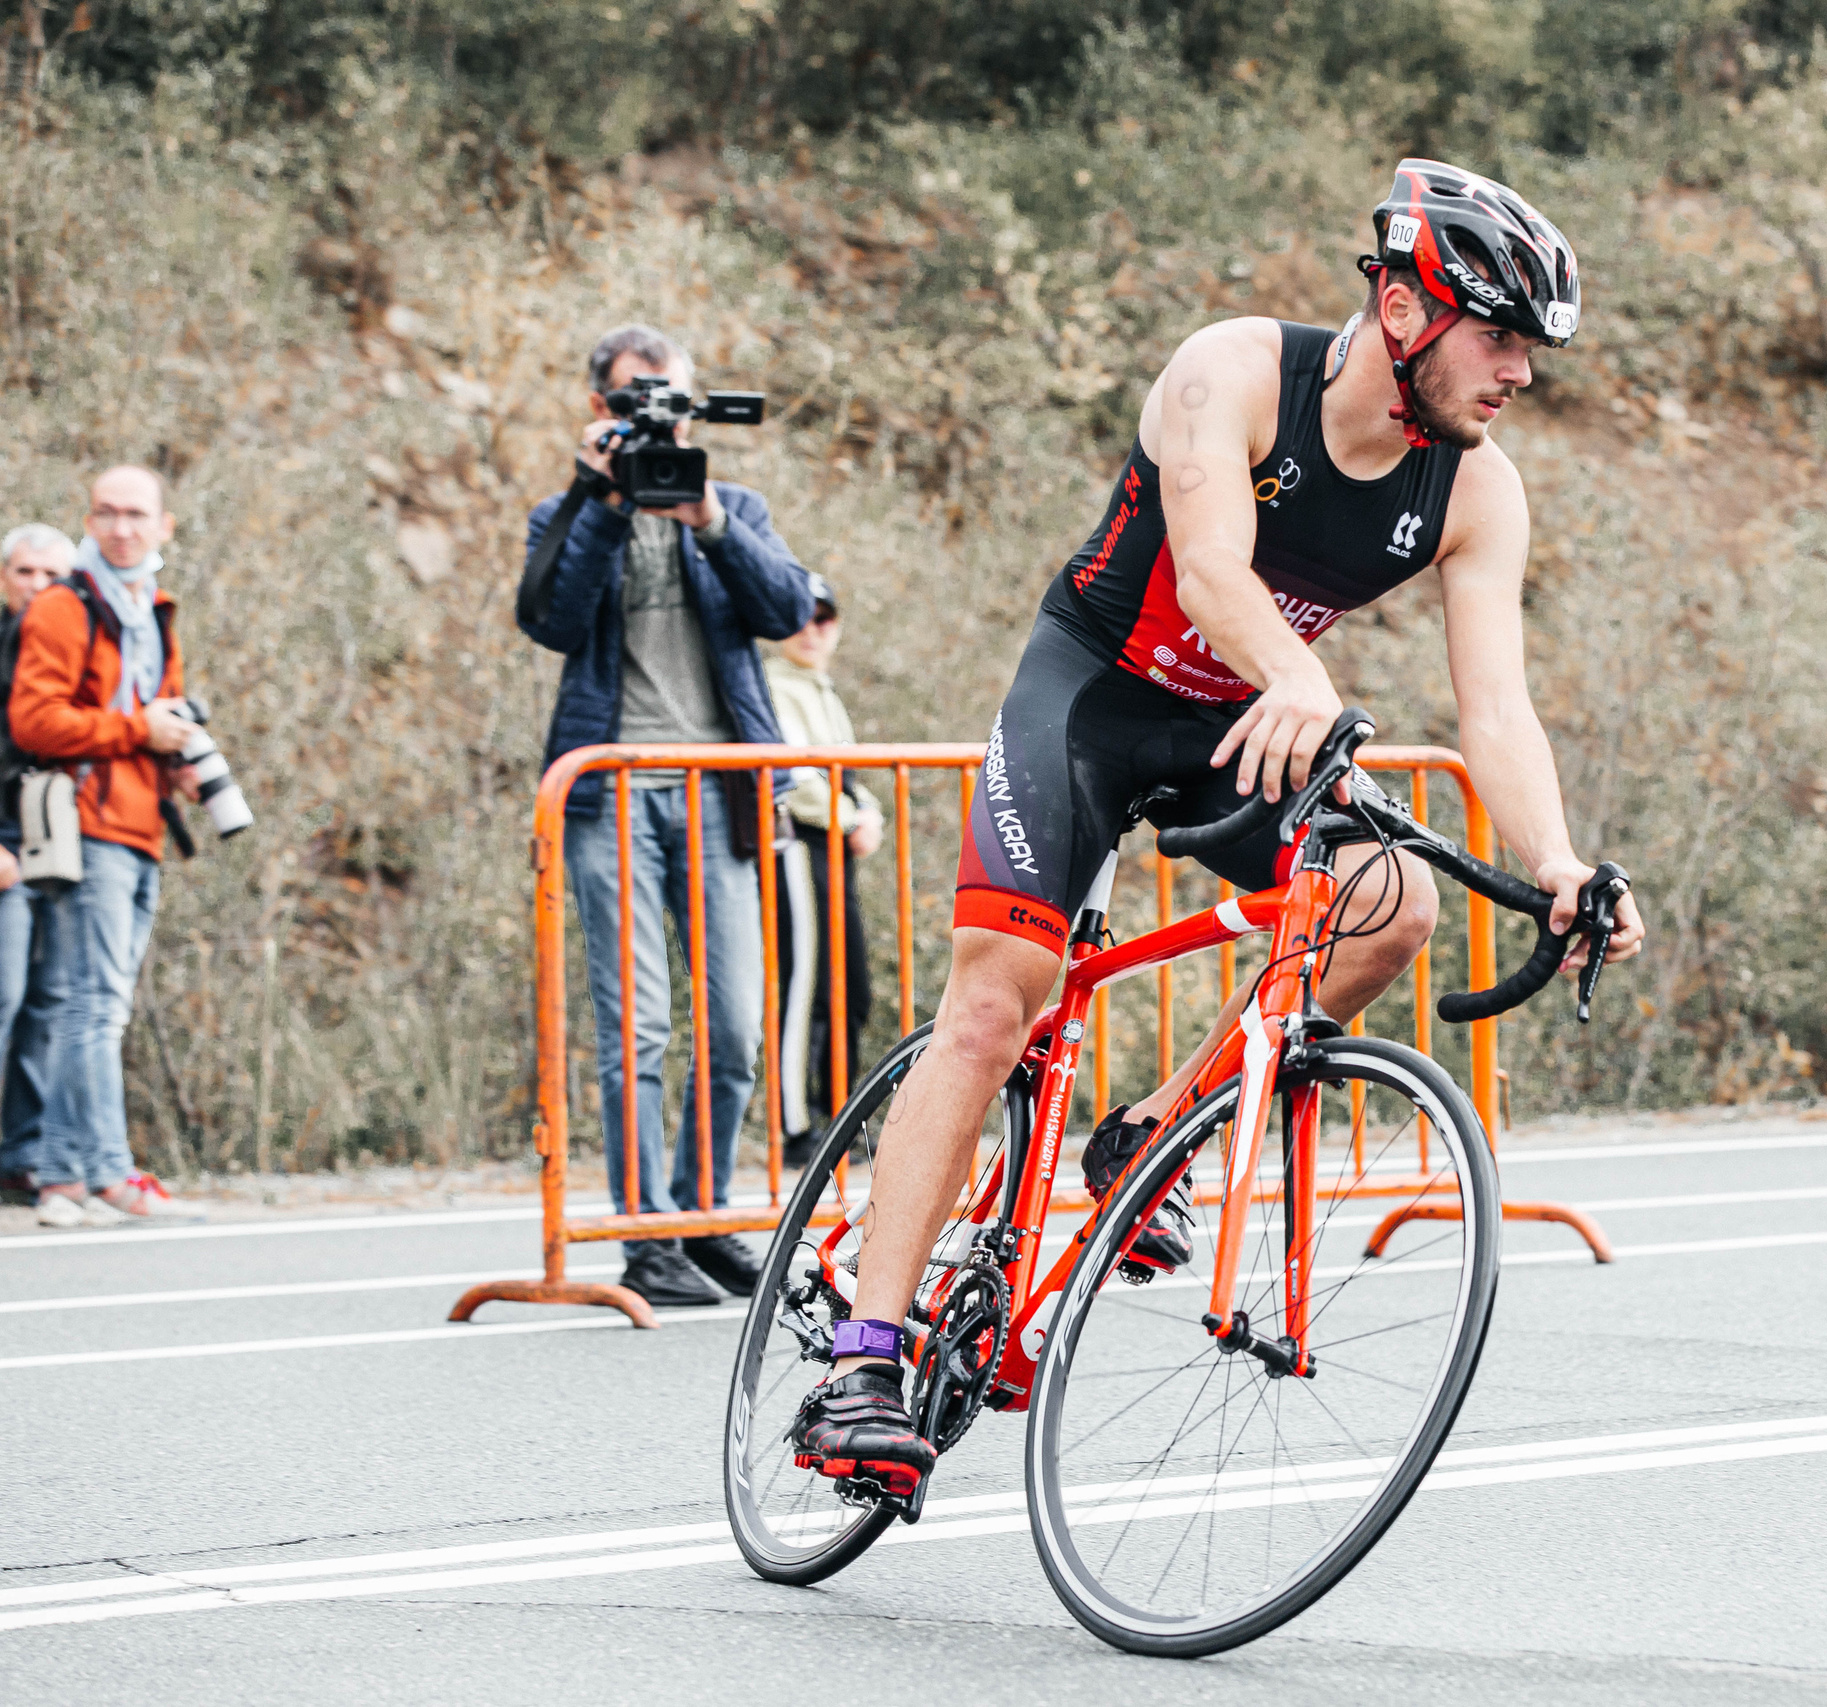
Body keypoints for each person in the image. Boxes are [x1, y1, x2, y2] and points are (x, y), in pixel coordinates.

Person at [789, 160, 1646, 1495]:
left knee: (1390, 901)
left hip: (1240, 730)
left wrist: (1557, 860)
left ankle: (1152, 1129)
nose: (1522, 370)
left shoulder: (1478, 490)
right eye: (1502, 334)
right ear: (1413, 307)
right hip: (1088, 700)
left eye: (1533, 346)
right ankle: (863, 1354)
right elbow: (1207, 571)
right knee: (995, 1002)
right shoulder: (1232, 374)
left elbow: (1497, 706)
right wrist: (1300, 673)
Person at [519, 324, 815, 1309]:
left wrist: (707, 522)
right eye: (635, 398)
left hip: (719, 793)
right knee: (637, 1024)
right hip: (612, 795)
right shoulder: (564, 514)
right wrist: (600, 500)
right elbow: (550, 619)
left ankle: (701, 1218)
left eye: (670, 399)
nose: (655, 415)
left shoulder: (734, 507)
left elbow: (786, 613)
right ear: (601, 407)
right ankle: (646, 1237)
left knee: (735, 1026)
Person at [12, 471, 210, 1227]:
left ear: (165, 525)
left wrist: (180, 762)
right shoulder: (65, 607)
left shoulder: (151, 608)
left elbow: (165, 710)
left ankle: (62, 1175)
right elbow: (36, 720)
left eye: (136, 515)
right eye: (107, 513)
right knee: (96, 1007)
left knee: (87, 1004)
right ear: (89, 519)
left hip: (140, 823)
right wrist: (138, 732)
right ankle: (111, 1172)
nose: (121, 528)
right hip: (87, 823)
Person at [760, 573, 885, 1166]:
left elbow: (846, 772)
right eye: (801, 616)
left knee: (849, 989)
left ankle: (838, 1118)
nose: (813, 629)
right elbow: (794, 775)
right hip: (797, 844)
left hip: (831, 844)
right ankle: (797, 1129)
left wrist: (869, 813)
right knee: (806, 988)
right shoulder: (774, 684)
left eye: (825, 617)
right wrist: (849, 816)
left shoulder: (819, 687)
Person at [0, 523, 71, 1207]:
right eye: (26, 572)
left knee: (49, 1003)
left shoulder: (72, 651)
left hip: (61, 847)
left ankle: (23, 1156)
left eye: (53, 577)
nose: (38, 587)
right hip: (2, 845)